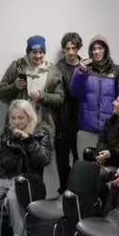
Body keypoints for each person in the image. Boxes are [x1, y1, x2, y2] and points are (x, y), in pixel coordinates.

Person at [0, 99, 50, 236]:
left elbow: (43, 160)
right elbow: (3, 161)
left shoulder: (41, 132)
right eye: (13, 118)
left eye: (20, 118)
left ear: (29, 117)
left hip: (29, 178)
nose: (16, 122)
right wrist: (14, 144)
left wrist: (28, 140)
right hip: (6, 175)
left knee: (13, 198)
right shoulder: (7, 132)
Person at [0, 36, 66, 171]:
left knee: (37, 168)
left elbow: (60, 99)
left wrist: (43, 96)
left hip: (40, 128)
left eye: (41, 52)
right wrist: (14, 87)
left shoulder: (53, 71)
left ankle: (34, 192)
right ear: (28, 52)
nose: (38, 56)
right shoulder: (17, 67)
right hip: (17, 124)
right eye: (34, 52)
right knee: (13, 167)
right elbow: (0, 93)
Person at [71, 35, 119, 162]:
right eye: (94, 49)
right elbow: (74, 93)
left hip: (108, 131)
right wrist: (81, 72)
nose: (97, 52)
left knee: (104, 169)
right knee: (85, 167)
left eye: (100, 48)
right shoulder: (84, 69)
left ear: (106, 50)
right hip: (87, 128)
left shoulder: (117, 71)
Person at [50, 33, 84, 193]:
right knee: (62, 161)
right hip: (62, 121)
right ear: (64, 50)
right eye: (67, 48)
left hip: (82, 122)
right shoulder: (58, 67)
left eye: (74, 48)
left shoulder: (86, 67)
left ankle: (77, 191)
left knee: (80, 159)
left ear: (79, 48)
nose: (71, 52)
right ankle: (63, 192)